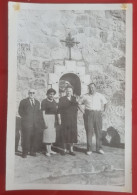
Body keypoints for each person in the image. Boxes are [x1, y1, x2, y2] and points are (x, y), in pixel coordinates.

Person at [79, 83, 107, 155]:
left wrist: (104, 111)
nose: (91, 89)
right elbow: (78, 103)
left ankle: (99, 148)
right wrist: (83, 111)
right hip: (88, 114)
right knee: (89, 132)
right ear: (89, 88)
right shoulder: (85, 96)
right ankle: (89, 149)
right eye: (90, 88)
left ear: (95, 88)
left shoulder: (100, 95)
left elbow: (105, 103)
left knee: (98, 131)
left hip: (97, 114)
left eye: (93, 87)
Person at [18, 89, 41, 158]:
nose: (32, 94)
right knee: (26, 138)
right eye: (30, 93)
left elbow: (38, 113)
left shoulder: (37, 102)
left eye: (33, 93)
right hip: (27, 124)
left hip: (35, 124)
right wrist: (26, 119)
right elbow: (20, 111)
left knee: (34, 138)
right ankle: (24, 152)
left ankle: (32, 151)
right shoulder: (23, 101)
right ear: (28, 93)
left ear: (35, 94)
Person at [58, 86, 78, 156]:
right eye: (67, 91)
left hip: (73, 120)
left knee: (72, 134)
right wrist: (59, 119)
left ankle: (71, 150)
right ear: (65, 91)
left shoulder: (74, 99)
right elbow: (59, 110)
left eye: (70, 91)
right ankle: (64, 149)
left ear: (72, 91)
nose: (68, 92)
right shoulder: (62, 99)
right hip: (65, 119)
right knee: (64, 134)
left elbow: (76, 109)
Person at [41, 88, 58, 157]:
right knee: (47, 134)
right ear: (47, 94)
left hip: (53, 119)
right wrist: (45, 122)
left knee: (51, 135)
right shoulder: (44, 101)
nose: (51, 95)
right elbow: (43, 113)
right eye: (50, 94)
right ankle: (47, 151)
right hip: (47, 118)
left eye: (53, 94)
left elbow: (56, 111)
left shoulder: (54, 101)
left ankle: (50, 150)